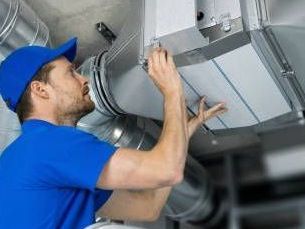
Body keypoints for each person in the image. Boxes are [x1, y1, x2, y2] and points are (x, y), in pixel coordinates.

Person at [0, 37, 227, 229]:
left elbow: (148, 207)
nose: (84, 79)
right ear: (40, 89)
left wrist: (181, 134)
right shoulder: (49, 145)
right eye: (71, 73)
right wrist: (172, 91)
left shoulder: (26, 159)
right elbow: (168, 171)